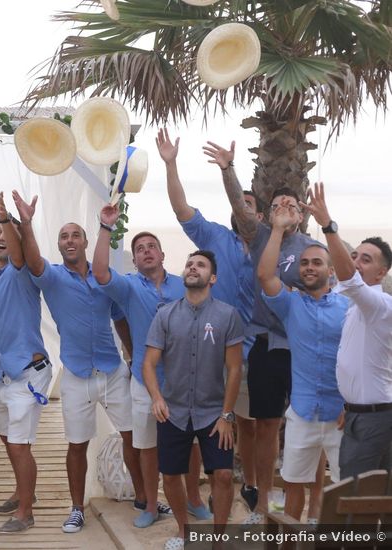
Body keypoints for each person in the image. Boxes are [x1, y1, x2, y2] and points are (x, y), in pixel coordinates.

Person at [9, 191, 143, 534]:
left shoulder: (104, 277)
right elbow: (33, 260)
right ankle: (76, 508)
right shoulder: (51, 277)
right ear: (60, 246)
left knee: (133, 437)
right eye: (64, 237)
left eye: (75, 235)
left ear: (85, 242)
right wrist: (26, 223)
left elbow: (121, 320)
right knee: (76, 445)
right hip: (77, 375)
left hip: (113, 371)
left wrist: (133, 357)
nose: (70, 241)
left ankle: (144, 497)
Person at [206, 140, 322, 523]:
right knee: (267, 423)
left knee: (312, 422)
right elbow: (241, 208)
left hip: (304, 346)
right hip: (266, 344)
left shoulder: (310, 247)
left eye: (291, 206)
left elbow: (325, 286)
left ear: (302, 213)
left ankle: (315, 507)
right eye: (276, 206)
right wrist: (228, 169)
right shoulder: (258, 238)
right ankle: (263, 500)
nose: (283, 210)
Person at [156, 129, 262, 513]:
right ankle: (193, 502)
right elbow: (181, 208)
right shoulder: (215, 236)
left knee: (248, 426)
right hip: (199, 353)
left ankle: (252, 491)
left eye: (247, 204)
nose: (240, 207)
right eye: (237, 203)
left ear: (259, 215)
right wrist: (170, 164)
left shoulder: (268, 247)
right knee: (190, 428)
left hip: (244, 354)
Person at [92, 204, 187, 528]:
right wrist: (106, 227)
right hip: (144, 382)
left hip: (182, 381)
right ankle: (149, 505)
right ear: (134, 260)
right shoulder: (129, 286)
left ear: (162, 255)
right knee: (146, 446)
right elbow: (101, 272)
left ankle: (194, 500)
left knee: (191, 443)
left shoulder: (182, 286)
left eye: (151, 247)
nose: (146, 252)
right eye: (140, 249)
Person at [142, 250, 244, 550]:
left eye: (200, 265)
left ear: (212, 278)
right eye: (189, 264)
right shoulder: (166, 314)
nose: (192, 268)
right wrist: (157, 398)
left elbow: (235, 368)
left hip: (213, 412)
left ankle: (219, 539)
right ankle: (184, 531)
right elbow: (148, 363)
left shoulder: (227, 315)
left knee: (223, 475)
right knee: (171, 476)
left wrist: (227, 416)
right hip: (172, 411)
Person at [257, 202, 348, 523]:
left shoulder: (349, 308)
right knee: (294, 485)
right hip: (302, 414)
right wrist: (278, 229)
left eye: (317, 262)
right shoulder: (291, 305)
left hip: (341, 415)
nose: (309, 267)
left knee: (342, 490)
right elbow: (265, 275)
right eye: (305, 262)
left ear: (331, 270)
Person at [299, 182, 392, 480]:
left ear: (382, 273)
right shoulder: (350, 301)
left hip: (375, 419)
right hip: (358, 414)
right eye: (356, 256)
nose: (357, 263)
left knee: (355, 499)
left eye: (367, 259)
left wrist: (327, 225)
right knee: (371, 502)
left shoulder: (378, 303)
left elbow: (348, 279)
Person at [0, 193, 50, 534]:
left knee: (20, 445)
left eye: (4, 232)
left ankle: (25, 512)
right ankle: (24, 493)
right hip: (2, 374)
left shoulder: (21, 271)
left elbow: (21, 254)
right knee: (10, 441)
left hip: (29, 373)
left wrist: (9, 219)